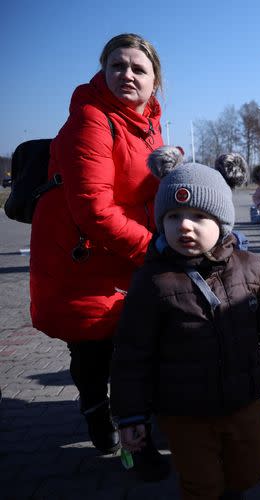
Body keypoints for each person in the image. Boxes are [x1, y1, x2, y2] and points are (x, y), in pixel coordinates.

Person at [111, 147, 260, 499]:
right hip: (183, 412)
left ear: (223, 222)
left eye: (198, 215)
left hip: (243, 400)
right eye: (173, 215)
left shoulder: (252, 267)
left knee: (251, 470)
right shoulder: (152, 281)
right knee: (202, 483)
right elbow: (131, 354)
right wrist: (131, 414)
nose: (184, 225)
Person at [27, 33, 169, 478]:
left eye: (138, 69)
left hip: (126, 261)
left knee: (136, 352)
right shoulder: (91, 119)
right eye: (117, 66)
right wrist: (155, 249)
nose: (127, 75)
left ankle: (133, 429)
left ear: (154, 81)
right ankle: (99, 414)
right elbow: (94, 210)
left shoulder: (147, 122)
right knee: (95, 350)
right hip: (85, 264)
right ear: (103, 71)